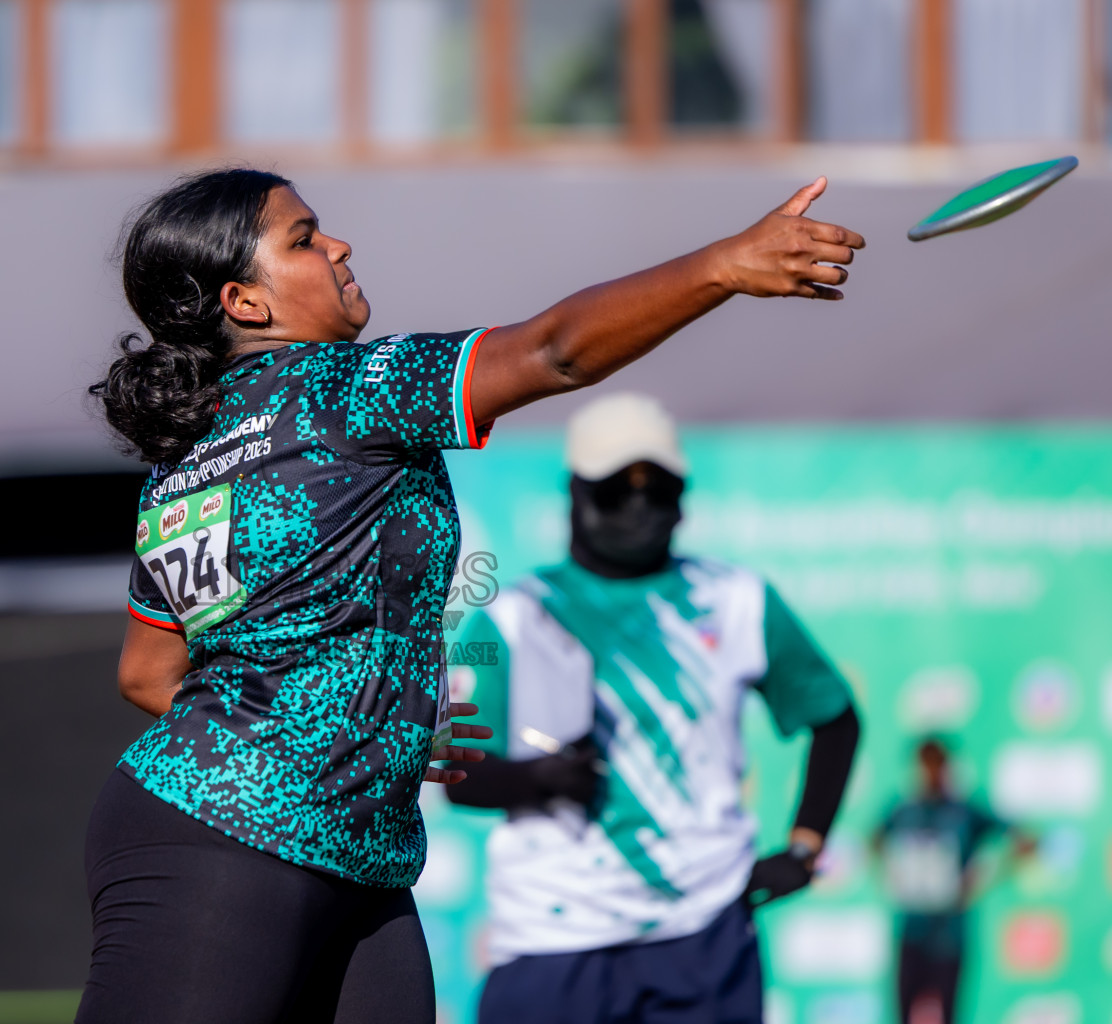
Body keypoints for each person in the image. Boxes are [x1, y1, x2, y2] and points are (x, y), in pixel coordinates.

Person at [80, 167, 865, 1024]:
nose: (338, 245)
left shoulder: (188, 460)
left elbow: (147, 671)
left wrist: (372, 724)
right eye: (304, 239)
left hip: (356, 854)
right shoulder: (349, 387)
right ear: (246, 303)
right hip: (225, 835)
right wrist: (726, 264)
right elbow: (553, 351)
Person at [447, 393, 862, 1024]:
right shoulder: (507, 619)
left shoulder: (735, 601)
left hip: (703, 934)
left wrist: (804, 850)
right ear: (577, 493)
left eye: (659, 490)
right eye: (617, 490)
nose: (639, 507)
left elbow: (835, 718)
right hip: (554, 938)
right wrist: (538, 779)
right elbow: (458, 774)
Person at [873, 737, 1032, 1024]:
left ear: (947, 767)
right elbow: (873, 841)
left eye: (937, 765)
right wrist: (890, 877)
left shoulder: (965, 811)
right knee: (901, 1013)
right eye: (925, 765)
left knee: (950, 1014)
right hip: (912, 931)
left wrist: (984, 879)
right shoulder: (903, 811)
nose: (931, 773)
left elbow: (1023, 841)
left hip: (950, 935)